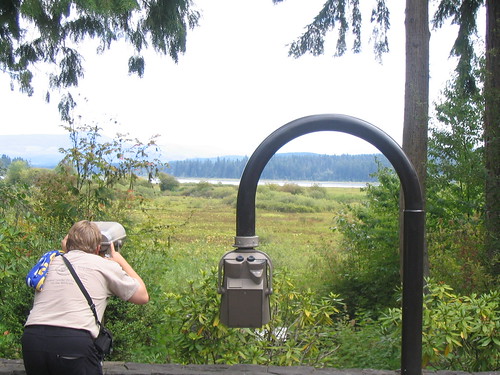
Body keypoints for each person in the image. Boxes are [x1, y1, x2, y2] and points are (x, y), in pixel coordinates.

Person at [21, 220, 149, 375]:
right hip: (73, 341)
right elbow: (142, 296)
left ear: (67, 242)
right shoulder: (104, 265)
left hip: (32, 340)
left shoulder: (50, 261)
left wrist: (67, 250)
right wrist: (120, 260)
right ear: (97, 247)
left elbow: (69, 260)